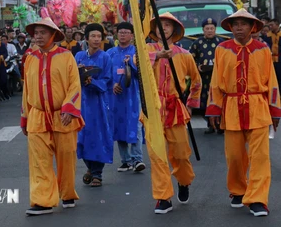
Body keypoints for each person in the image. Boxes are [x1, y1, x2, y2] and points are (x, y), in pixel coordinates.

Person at [205, 9, 281, 217]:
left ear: (252, 27)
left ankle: (257, 198)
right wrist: (214, 108)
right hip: (231, 106)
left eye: (244, 24)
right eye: (235, 24)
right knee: (235, 156)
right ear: (230, 27)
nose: (239, 28)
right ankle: (238, 190)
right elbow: (215, 82)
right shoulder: (222, 49)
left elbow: (272, 82)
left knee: (260, 157)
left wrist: (275, 110)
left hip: (258, 106)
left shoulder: (262, 49)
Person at [21, 17, 85, 216]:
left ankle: (67, 193)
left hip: (63, 116)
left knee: (66, 157)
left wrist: (69, 107)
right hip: (37, 116)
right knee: (39, 161)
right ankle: (42, 201)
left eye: (43, 33)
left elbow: (75, 85)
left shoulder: (66, 56)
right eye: (36, 33)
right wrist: (25, 116)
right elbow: (26, 90)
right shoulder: (30, 57)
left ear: (53, 35)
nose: (38, 37)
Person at [147, 12, 202, 213]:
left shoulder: (184, 54)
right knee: (157, 154)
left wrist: (190, 104)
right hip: (152, 109)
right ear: (154, 30)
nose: (164, 28)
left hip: (175, 107)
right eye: (160, 25)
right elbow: (137, 66)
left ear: (174, 30)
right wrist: (156, 57)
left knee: (180, 152)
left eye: (168, 25)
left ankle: (183, 181)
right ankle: (163, 197)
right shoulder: (145, 51)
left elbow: (196, 81)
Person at [75, 23, 113, 187]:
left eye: (99, 36)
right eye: (93, 36)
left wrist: (92, 82)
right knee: (81, 137)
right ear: (86, 39)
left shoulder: (105, 57)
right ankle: (90, 168)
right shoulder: (78, 56)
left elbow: (107, 80)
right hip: (80, 102)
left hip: (97, 103)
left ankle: (97, 173)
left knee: (98, 136)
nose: (96, 39)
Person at [107, 22, 146, 172]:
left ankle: (137, 159)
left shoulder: (137, 52)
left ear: (131, 35)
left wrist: (132, 64)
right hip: (115, 97)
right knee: (118, 127)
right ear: (117, 34)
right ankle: (126, 160)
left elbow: (142, 74)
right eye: (120, 32)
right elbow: (105, 74)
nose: (123, 35)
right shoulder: (110, 53)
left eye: (126, 32)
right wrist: (112, 85)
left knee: (134, 125)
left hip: (132, 96)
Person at [189, 18, 225, 134]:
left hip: (218, 78)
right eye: (207, 29)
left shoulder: (221, 43)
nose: (209, 31)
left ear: (215, 29)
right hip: (203, 79)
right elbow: (190, 59)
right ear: (203, 30)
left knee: (219, 100)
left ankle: (220, 125)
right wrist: (197, 67)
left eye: (212, 28)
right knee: (205, 101)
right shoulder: (197, 43)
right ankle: (210, 124)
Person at [262, 19, 281, 96]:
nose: (270, 27)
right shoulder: (267, 36)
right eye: (270, 25)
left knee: (280, 77)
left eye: (272, 25)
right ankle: (272, 94)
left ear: (277, 25)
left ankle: (279, 94)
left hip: (280, 60)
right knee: (271, 78)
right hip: (270, 60)